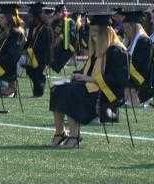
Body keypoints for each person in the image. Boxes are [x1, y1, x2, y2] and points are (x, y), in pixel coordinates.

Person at [48, 12, 128, 148]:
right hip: (91, 87)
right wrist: (77, 75)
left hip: (108, 93)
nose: (93, 36)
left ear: (107, 33)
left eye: (97, 33)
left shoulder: (117, 50)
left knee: (72, 92)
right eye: (92, 33)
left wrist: (89, 78)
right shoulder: (98, 50)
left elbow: (118, 79)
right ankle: (60, 133)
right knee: (57, 88)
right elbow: (87, 70)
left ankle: (75, 136)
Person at [23, 3, 54, 97]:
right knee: (30, 72)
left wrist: (46, 62)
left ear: (37, 17)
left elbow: (48, 47)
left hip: (41, 57)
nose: (30, 18)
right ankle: (37, 91)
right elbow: (29, 40)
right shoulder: (33, 27)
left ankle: (38, 92)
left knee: (38, 75)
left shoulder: (46, 29)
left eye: (31, 16)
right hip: (32, 55)